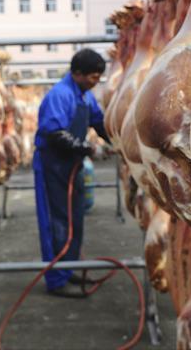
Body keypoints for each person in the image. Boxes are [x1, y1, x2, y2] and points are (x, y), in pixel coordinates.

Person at [33, 48, 111, 297]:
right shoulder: (60, 94)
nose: (95, 81)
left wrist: (117, 142)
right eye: (92, 76)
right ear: (77, 73)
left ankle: (71, 267)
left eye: (98, 76)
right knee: (57, 223)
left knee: (75, 219)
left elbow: (99, 123)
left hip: (73, 165)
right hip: (53, 164)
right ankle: (57, 279)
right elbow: (53, 133)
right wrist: (85, 147)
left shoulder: (85, 96)